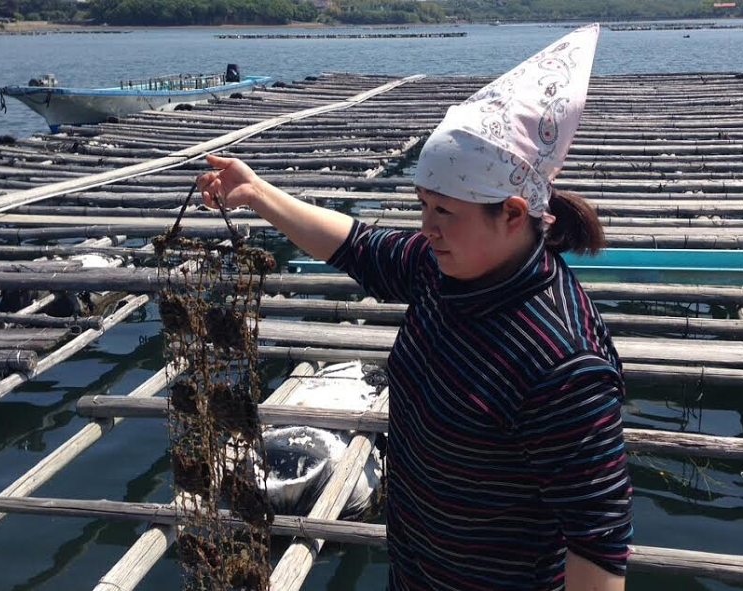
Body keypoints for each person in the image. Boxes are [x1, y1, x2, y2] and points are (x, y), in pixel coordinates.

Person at [197, 23, 632, 591]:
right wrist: (257, 193)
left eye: (444, 211)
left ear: (514, 214)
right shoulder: (443, 266)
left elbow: (598, 547)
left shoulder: (562, 363)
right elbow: (357, 245)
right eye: (422, 204)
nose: (426, 227)